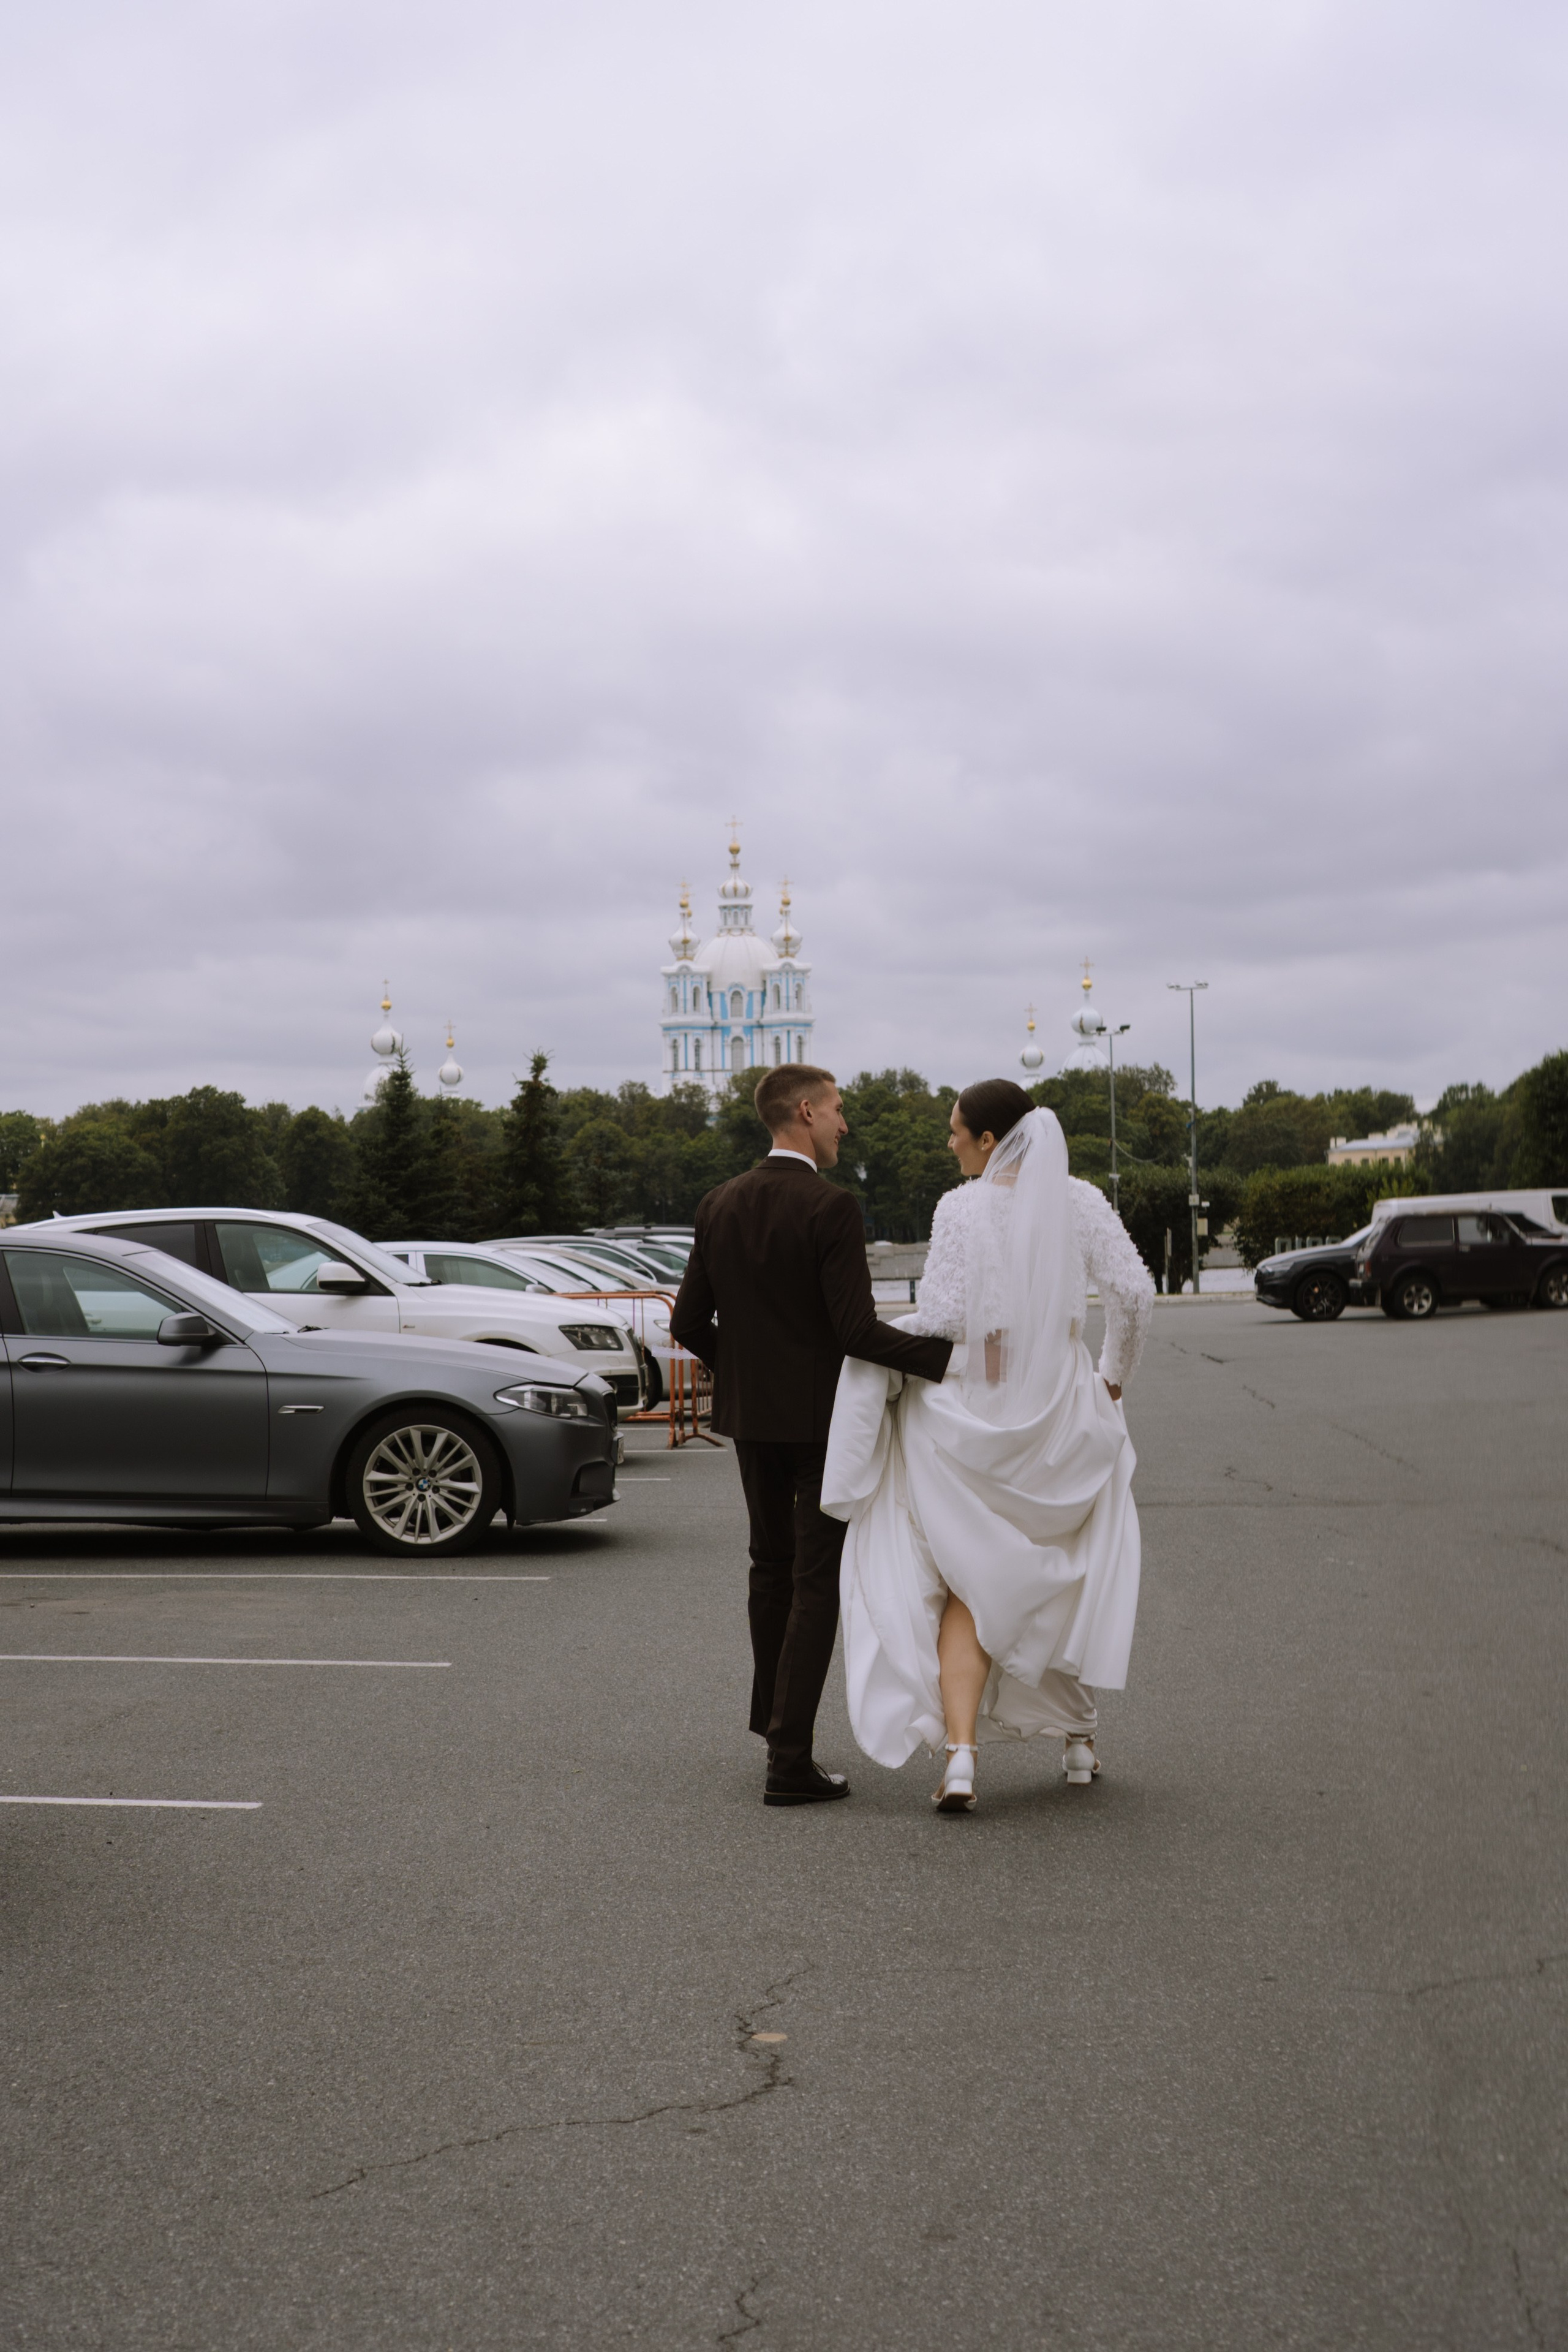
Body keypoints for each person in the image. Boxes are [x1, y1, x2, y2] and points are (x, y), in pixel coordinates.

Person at [821, 1079, 1154, 1813]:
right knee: (1056, 1576)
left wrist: (895, 1333)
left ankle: (963, 1756)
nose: (947, 1144)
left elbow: (943, 1314)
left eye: (953, 1131)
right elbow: (1132, 1294)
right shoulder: (1081, 1201)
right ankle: (1076, 1741)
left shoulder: (959, 1208)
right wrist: (1111, 1378)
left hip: (972, 1408)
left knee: (971, 1583)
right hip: (1061, 1412)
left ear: (986, 1140)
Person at [670, 1066, 955, 1806]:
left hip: (749, 1420)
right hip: (822, 1425)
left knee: (769, 1568)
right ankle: (788, 1762)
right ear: (804, 1112)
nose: (844, 1125)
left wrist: (744, 1373)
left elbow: (686, 1324)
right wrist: (949, 1362)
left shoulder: (717, 1202)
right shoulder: (830, 1207)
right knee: (812, 1582)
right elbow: (855, 1332)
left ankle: (776, 1731)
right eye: (836, 1111)